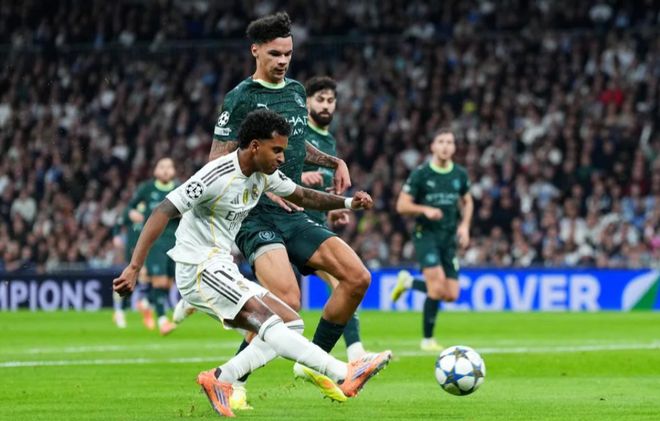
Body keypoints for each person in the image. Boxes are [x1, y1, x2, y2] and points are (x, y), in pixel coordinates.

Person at [112, 109, 391, 417]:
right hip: (199, 267)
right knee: (270, 324)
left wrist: (348, 202)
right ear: (255, 146)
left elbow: (301, 195)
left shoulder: (263, 174)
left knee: (291, 322)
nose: (282, 158)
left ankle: (222, 377)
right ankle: (342, 373)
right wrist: (134, 267)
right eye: (277, 150)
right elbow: (163, 210)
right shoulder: (215, 175)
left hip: (221, 265)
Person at [209, 12, 381, 407]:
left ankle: (314, 363)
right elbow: (216, 161)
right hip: (254, 215)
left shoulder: (297, 91)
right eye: (275, 53)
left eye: (288, 53)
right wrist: (263, 186)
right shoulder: (240, 98)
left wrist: (333, 161)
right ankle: (232, 381)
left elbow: (299, 145)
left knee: (357, 277)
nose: (283, 60)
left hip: (294, 211)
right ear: (255, 51)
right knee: (286, 302)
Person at [297, 75, 367, 363]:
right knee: (283, 305)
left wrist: (333, 209)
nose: (326, 105)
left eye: (330, 100)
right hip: (288, 224)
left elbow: (323, 188)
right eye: (320, 100)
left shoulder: (329, 141)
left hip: (315, 224)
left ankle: (354, 353)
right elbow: (271, 168)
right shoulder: (298, 131)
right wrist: (299, 177)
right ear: (307, 103)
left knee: (345, 282)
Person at [392, 128, 473, 351]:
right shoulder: (421, 174)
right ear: (433, 146)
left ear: (454, 147)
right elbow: (401, 205)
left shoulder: (460, 174)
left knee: (451, 294)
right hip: (426, 235)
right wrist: (424, 210)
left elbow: (468, 201)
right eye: (441, 141)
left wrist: (465, 226)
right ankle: (427, 340)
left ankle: (409, 283)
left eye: (450, 142)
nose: (446, 146)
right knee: (436, 289)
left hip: (449, 237)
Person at [123, 157, 179, 335]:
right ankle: (163, 321)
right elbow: (129, 208)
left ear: (174, 170)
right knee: (159, 281)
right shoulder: (147, 188)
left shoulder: (180, 188)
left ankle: (145, 303)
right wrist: (133, 214)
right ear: (155, 170)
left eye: (169, 167)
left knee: (168, 283)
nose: (165, 170)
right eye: (162, 167)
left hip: (175, 242)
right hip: (155, 242)